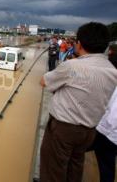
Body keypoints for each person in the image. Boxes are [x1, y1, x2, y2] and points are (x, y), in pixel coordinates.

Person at [39, 22, 117, 182]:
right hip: (89, 131)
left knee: (53, 168)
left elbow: (44, 81)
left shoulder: (72, 66)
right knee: (75, 166)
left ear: (79, 44)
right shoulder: (112, 71)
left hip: (64, 129)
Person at [91, 44, 117, 182]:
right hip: (111, 136)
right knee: (107, 165)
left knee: (72, 149)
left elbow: (112, 115)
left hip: (106, 133)